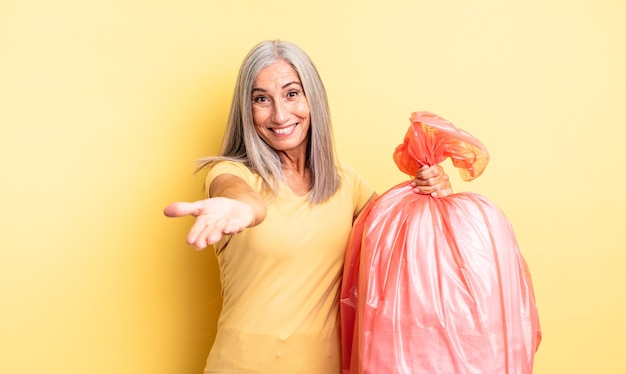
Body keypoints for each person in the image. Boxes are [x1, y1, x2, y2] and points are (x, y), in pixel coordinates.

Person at [164, 40, 452, 374]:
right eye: (261, 99)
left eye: (291, 94)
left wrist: (432, 190)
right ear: (247, 109)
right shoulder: (231, 174)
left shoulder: (347, 183)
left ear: (312, 98)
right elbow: (241, 197)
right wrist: (240, 208)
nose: (279, 114)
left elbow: (404, 241)